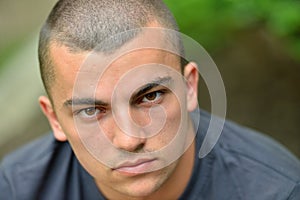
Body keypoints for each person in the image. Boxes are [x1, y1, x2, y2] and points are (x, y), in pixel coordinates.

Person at [1, 0, 300, 199]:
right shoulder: (15, 190)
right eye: (92, 110)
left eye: (150, 96)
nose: (130, 139)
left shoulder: (276, 191)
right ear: (54, 119)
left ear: (190, 87)